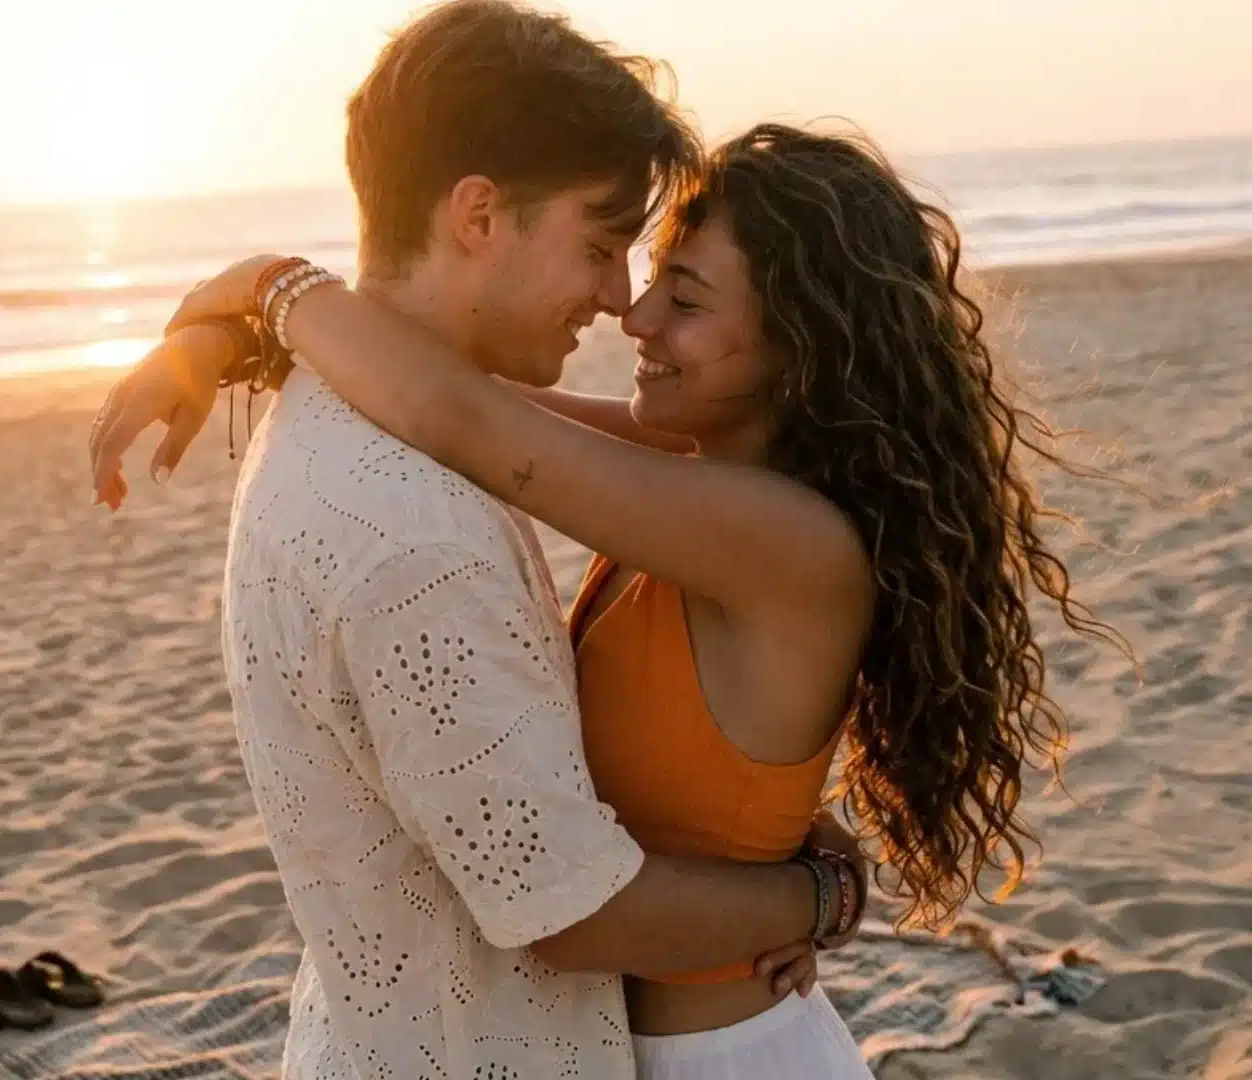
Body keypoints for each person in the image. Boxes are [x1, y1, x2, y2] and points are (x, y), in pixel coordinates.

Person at [92, 4, 873, 1079]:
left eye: (671, 290)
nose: (622, 305)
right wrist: (810, 886)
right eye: (603, 246)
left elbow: (468, 413)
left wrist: (265, 300)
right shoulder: (416, 528)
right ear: (477, 215)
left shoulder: (387, 438)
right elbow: (568, 903)